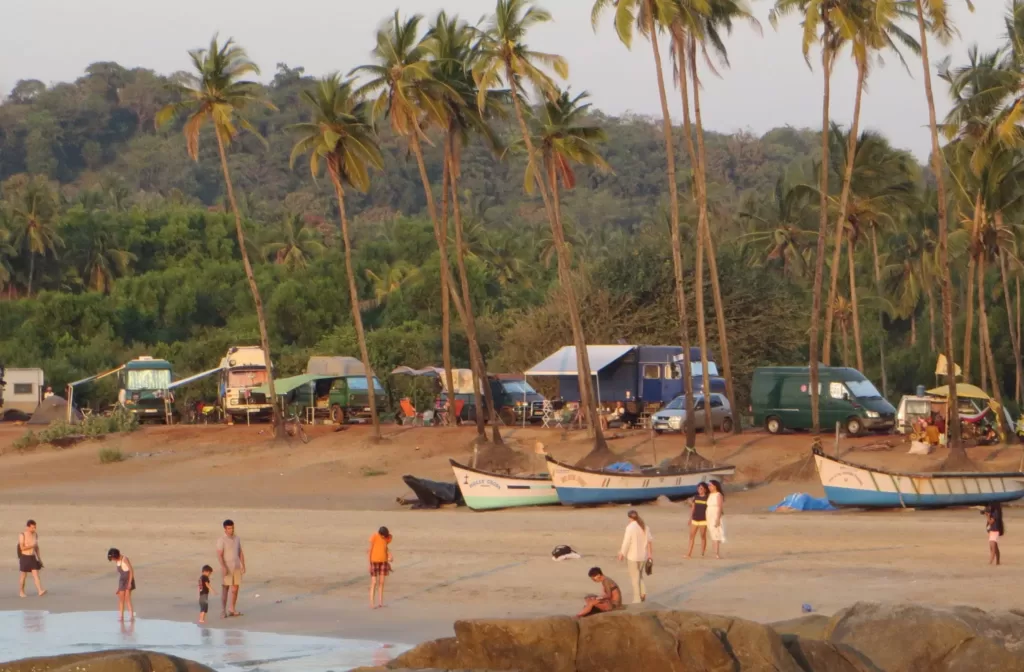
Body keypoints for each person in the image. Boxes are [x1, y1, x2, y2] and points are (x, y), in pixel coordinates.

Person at [617, 509, 653, 603]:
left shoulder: (630, 527)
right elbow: (649, 541)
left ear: (629, 517)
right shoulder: (645, 526)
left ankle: (637, 599)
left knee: (634, 578)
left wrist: (622, 553)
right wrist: (650, 555)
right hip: (643, 556)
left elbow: (626, 542)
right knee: (639, 575)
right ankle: (643, 592)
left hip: (633, 556)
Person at [216, 519, 245, 618]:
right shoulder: (221, 540)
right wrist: (223, 566)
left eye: (232, 528)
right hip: (227, 567)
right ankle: (223, 611)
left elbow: (240, 552)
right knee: (225, 589)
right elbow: (219, 555)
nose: (231, 530)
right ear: (225, 529)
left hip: (236, 566)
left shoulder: (237, 538)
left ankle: (232, 608)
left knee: (235, 588)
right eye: (228, 528)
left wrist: (243, 565)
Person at [17, 520, 46, 598]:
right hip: (24, 557)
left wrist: (39, 558)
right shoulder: (22, 535)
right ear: (28, 527)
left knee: (36, 574)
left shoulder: (35, 535)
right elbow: (22, 548)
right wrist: (31, 546)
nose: (34, 529)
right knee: (23, 576)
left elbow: (36, 547)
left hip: (32, 557)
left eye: (35, 527)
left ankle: (40, 590)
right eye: (32, 528)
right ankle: (21, 591)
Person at [107, 548, 135, 622]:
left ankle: (131, 617)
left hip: (129, 579)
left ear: (115, 555)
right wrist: (119, 588)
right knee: (121, 600)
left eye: (112, 558)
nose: (112, 560)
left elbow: (131, 571)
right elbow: (121, 575)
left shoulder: (125, 559)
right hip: (122, 581)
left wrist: (129, 583)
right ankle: (121, 617)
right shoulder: (117, 561)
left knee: (127, 599)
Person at [369, 526, 393, 609]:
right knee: (374, 582)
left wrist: (390, 556)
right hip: (374, 561)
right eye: (383, 535)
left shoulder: (386, 538)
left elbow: (386, 547)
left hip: (383, 562)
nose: (384, 537)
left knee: (381, 582)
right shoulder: (374, 536)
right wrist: (369, 563)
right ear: (380, 534)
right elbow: (370, 550)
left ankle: (380, 602)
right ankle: (372, 603)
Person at [685, 484, 709, 559]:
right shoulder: (696, 497)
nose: (699, 490)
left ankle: (702, 552)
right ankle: (688, 553)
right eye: (698, 488)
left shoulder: (707, 498)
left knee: (702, 536)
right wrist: (690, 518)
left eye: (701, 488)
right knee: (691, 536)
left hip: (703, 520)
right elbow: (693, 508)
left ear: (705, 489)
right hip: (695, 519)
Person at [707, 480, 726, 559]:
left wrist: (718, 518)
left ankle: (716, 553)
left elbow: (720, 507)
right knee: (712, 532)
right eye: (709, 485)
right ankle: (715, 552)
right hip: (709, 514)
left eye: (710, 485)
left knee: (716, 533)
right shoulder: (710, 494)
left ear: (715, 486)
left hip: (715, 514)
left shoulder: (718, 495)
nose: (709, 487)